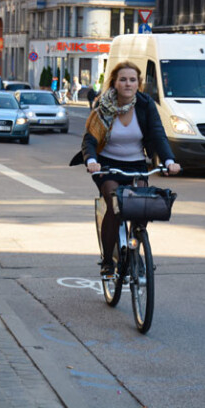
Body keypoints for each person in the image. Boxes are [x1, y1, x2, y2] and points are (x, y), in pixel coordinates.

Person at [69, 61, 181, 276]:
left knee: (140, 206)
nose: (128, 84)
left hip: (137, 164)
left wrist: (169, 161)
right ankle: (108, 261)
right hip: (107, 165)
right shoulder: (103, 105)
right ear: (115, 82)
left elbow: (157, 135)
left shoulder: (146, 104)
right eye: (123, 79)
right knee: (114, 204)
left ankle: (135, 246)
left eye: (132, 80)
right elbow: (90, 140)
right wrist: (91, 160)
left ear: (138, 84)